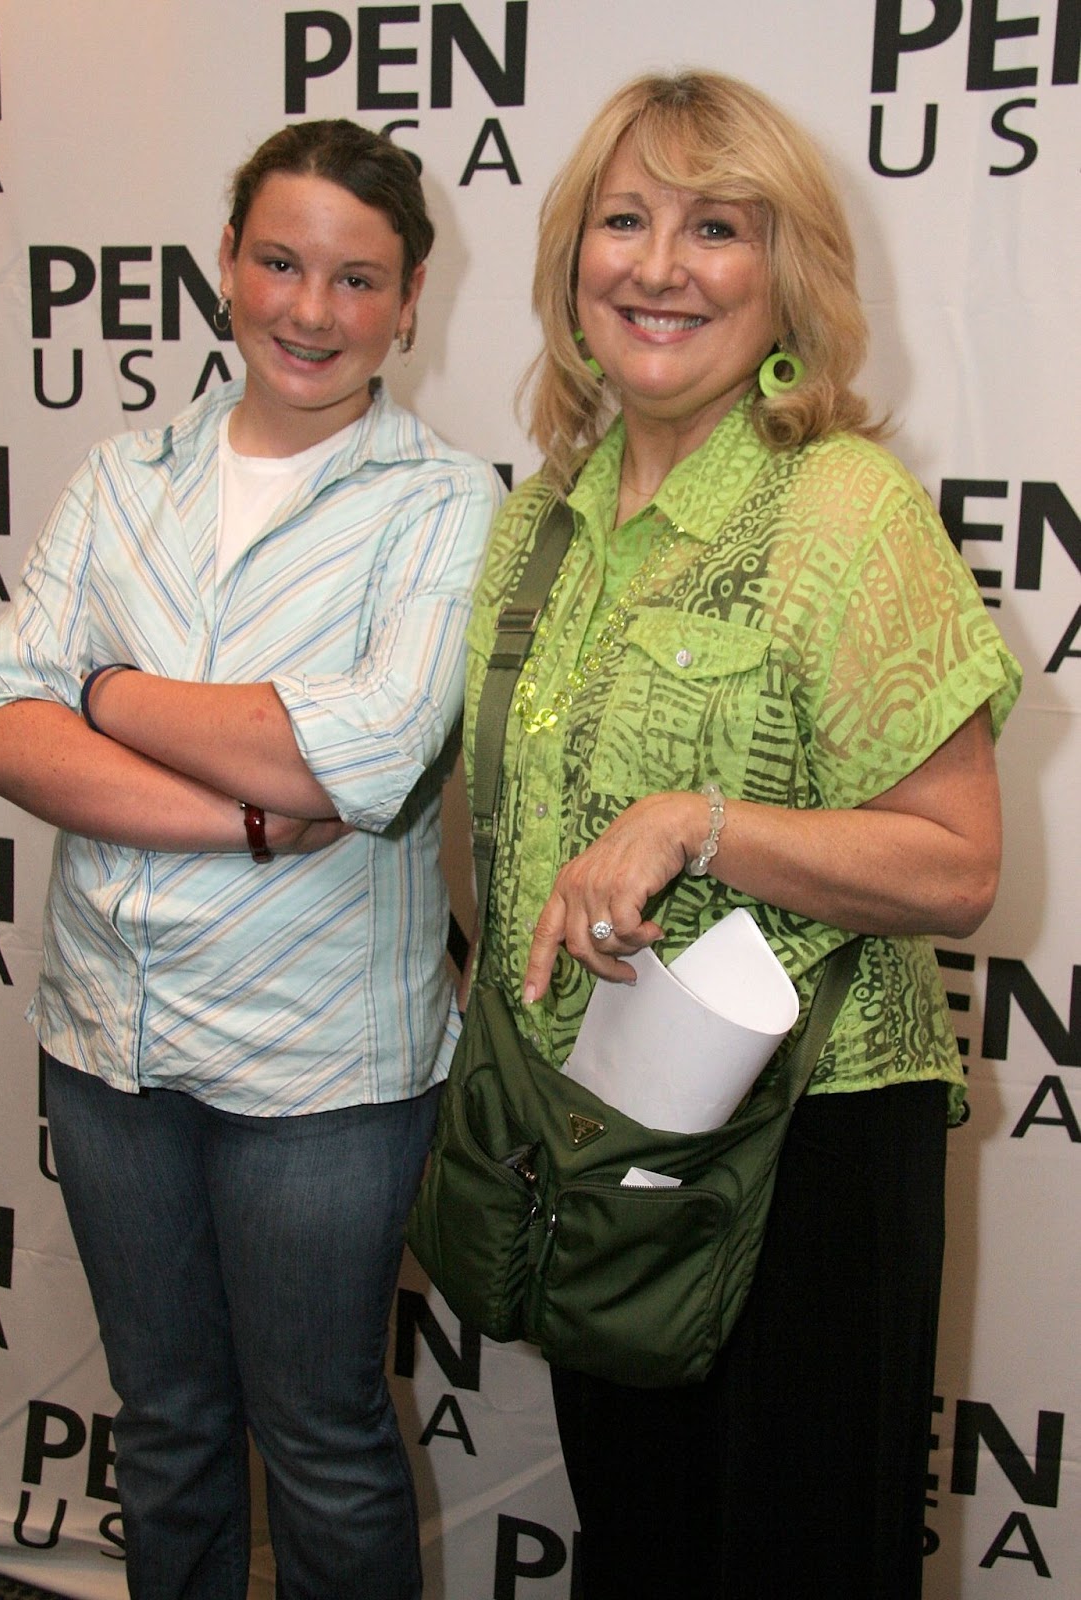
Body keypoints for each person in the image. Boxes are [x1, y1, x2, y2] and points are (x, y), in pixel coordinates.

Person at [462, 72, 1021, 1599]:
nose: (656, 264)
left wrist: (694, 823)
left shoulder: (844, 511)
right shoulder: (540, 521)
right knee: (638, 1553)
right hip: (609, 1134)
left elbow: (957, 863)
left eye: (715, 227)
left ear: (783, 276)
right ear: (570, 263)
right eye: (621, 220)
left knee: (793, 1564)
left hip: (808, 1146)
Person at [0, 119, 501, 1600]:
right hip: (106, 1044)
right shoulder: (122, 473)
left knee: (321, 1439)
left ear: (408, 302)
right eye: (278, 261)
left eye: (353, 278)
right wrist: (248, 810)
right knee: (169, 1424)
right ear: (226, 264)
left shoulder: (445, 503)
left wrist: (112, 693)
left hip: (320, 1078)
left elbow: (371, 757)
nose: (307, 309)